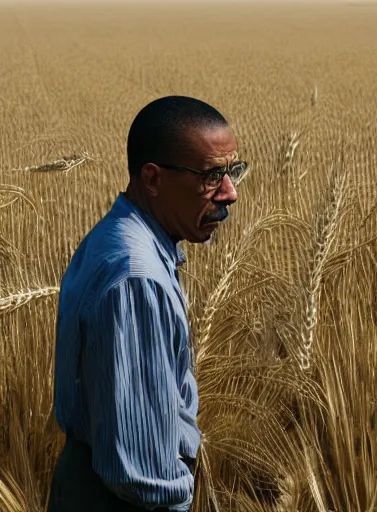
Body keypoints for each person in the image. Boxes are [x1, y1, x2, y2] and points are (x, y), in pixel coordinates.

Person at [48, 96, 246, 511]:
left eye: (233, 171)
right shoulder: (137, 278)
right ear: (153, 179)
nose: (229, 193)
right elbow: (143, 476)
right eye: (212, 176)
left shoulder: (121, 238)